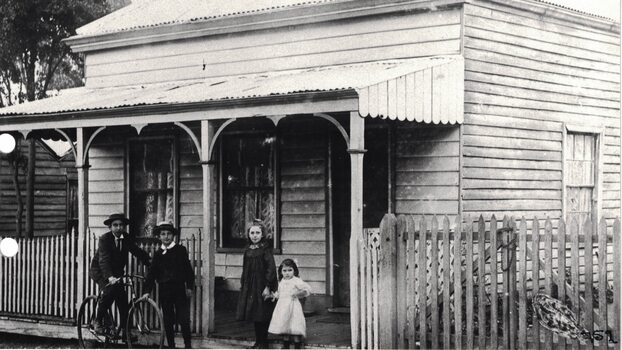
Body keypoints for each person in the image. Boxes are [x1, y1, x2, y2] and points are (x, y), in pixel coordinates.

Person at [89, 213, 151, 340]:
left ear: (124, 227)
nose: (118, 228)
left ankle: (125, 333)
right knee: (109, 292)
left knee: (122, 301)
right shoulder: (104, 239)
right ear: (110, 227)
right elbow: (103, 260)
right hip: (100, 271)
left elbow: (136, 251)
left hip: (116, 273)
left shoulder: (126, 238)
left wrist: (149, 261)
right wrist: (110, 277)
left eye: (121, 225)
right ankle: (98, 320)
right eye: (115, 225)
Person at [142, 222, 195, 349]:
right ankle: (171, 345)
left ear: (173, 236)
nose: (166, 237)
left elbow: (188, 270)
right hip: (165, 290)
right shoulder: (158, 253)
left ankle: (188, 345)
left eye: (169, 234)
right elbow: (152, 273)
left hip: (179, 289)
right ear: (159, 236)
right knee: (168, 319)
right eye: (163, 234)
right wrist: (147, 291)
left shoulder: (180, 250)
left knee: (183, 318)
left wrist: (189, 286)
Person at [236, 219, 278, 349]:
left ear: (262, 234)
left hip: (262, 285)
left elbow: (271, 268)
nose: (255, 235)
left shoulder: (265, 249)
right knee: (255, 313)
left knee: (262, 313)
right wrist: (244, 284)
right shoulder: (248, 250)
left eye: (257, 233)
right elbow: (245, 268)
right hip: (250, 285)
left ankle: (264, 342)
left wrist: (267, 286)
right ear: (249, 234)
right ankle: (258, 341)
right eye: (252, 233)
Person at [268, 259, 312, 349]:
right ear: (281, 272)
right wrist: (272, 295)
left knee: (294, 326)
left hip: (293, 306)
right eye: (284, 271)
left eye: (290, 270)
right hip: (282, 307)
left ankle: (297, 346)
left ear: (294, 271)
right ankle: (286, 346)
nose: (287, 273)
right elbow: (279, 293)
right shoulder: (281, 281)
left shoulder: (296, 280)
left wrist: (299, 293)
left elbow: (307, 289)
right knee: (285, 327)